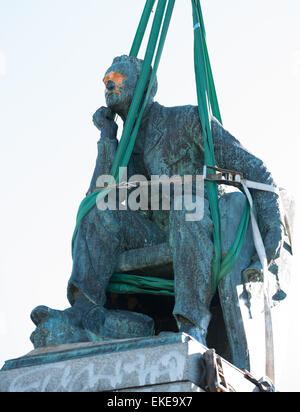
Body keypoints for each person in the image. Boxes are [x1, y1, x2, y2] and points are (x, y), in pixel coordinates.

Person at [31, 55, 284, 347]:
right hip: (154, 234)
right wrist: (107, 138)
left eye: (117, 78)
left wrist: (274, 225)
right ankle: (84, 311)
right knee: (100, 212)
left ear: (144, 85)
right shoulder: (123, 146)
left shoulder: (186, 119)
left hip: (199, 224)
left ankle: (192, 326)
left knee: (185, 208)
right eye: (105, 81)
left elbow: (254, 169)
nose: (108, 84)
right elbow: (99, 195)